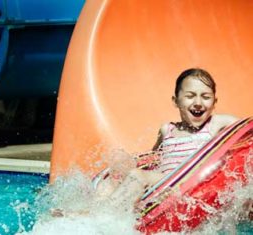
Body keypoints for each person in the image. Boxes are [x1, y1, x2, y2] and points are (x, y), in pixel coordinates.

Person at [93, 68, 239, 212]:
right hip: (163, 185)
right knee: (118, 170)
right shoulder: (166, 130)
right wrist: (127, 164)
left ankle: (103, 215)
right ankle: (95, 208)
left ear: (215, 102)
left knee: (137, 176)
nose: (198, 102)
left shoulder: (216, 124)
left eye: (206, 97)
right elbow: (153, 159)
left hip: (189, 184)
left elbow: (246, 128)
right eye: (190, 96)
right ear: (176, 101)